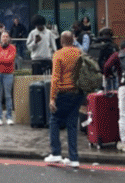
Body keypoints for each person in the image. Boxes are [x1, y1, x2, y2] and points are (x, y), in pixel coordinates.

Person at [44, 31, 84, 168]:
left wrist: (52, 98)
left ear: (61, 41)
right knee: (72, 124)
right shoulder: (79, 53)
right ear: (73, 40)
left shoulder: (58, 54)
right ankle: (74, 158)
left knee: (54, 120)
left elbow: (55, 78)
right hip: (78, 93)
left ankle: (56, 153)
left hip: (64, 92)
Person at [0, 32, 16, 126]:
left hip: (8, 74)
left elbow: (10, 60)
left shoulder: (12, 47)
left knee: (8, 96)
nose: (5, 38)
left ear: (9, 38)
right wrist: (4, 59)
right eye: (3, 37)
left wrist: (0, 59)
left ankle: (9, 117)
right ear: (0, 38)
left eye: (6, 36)